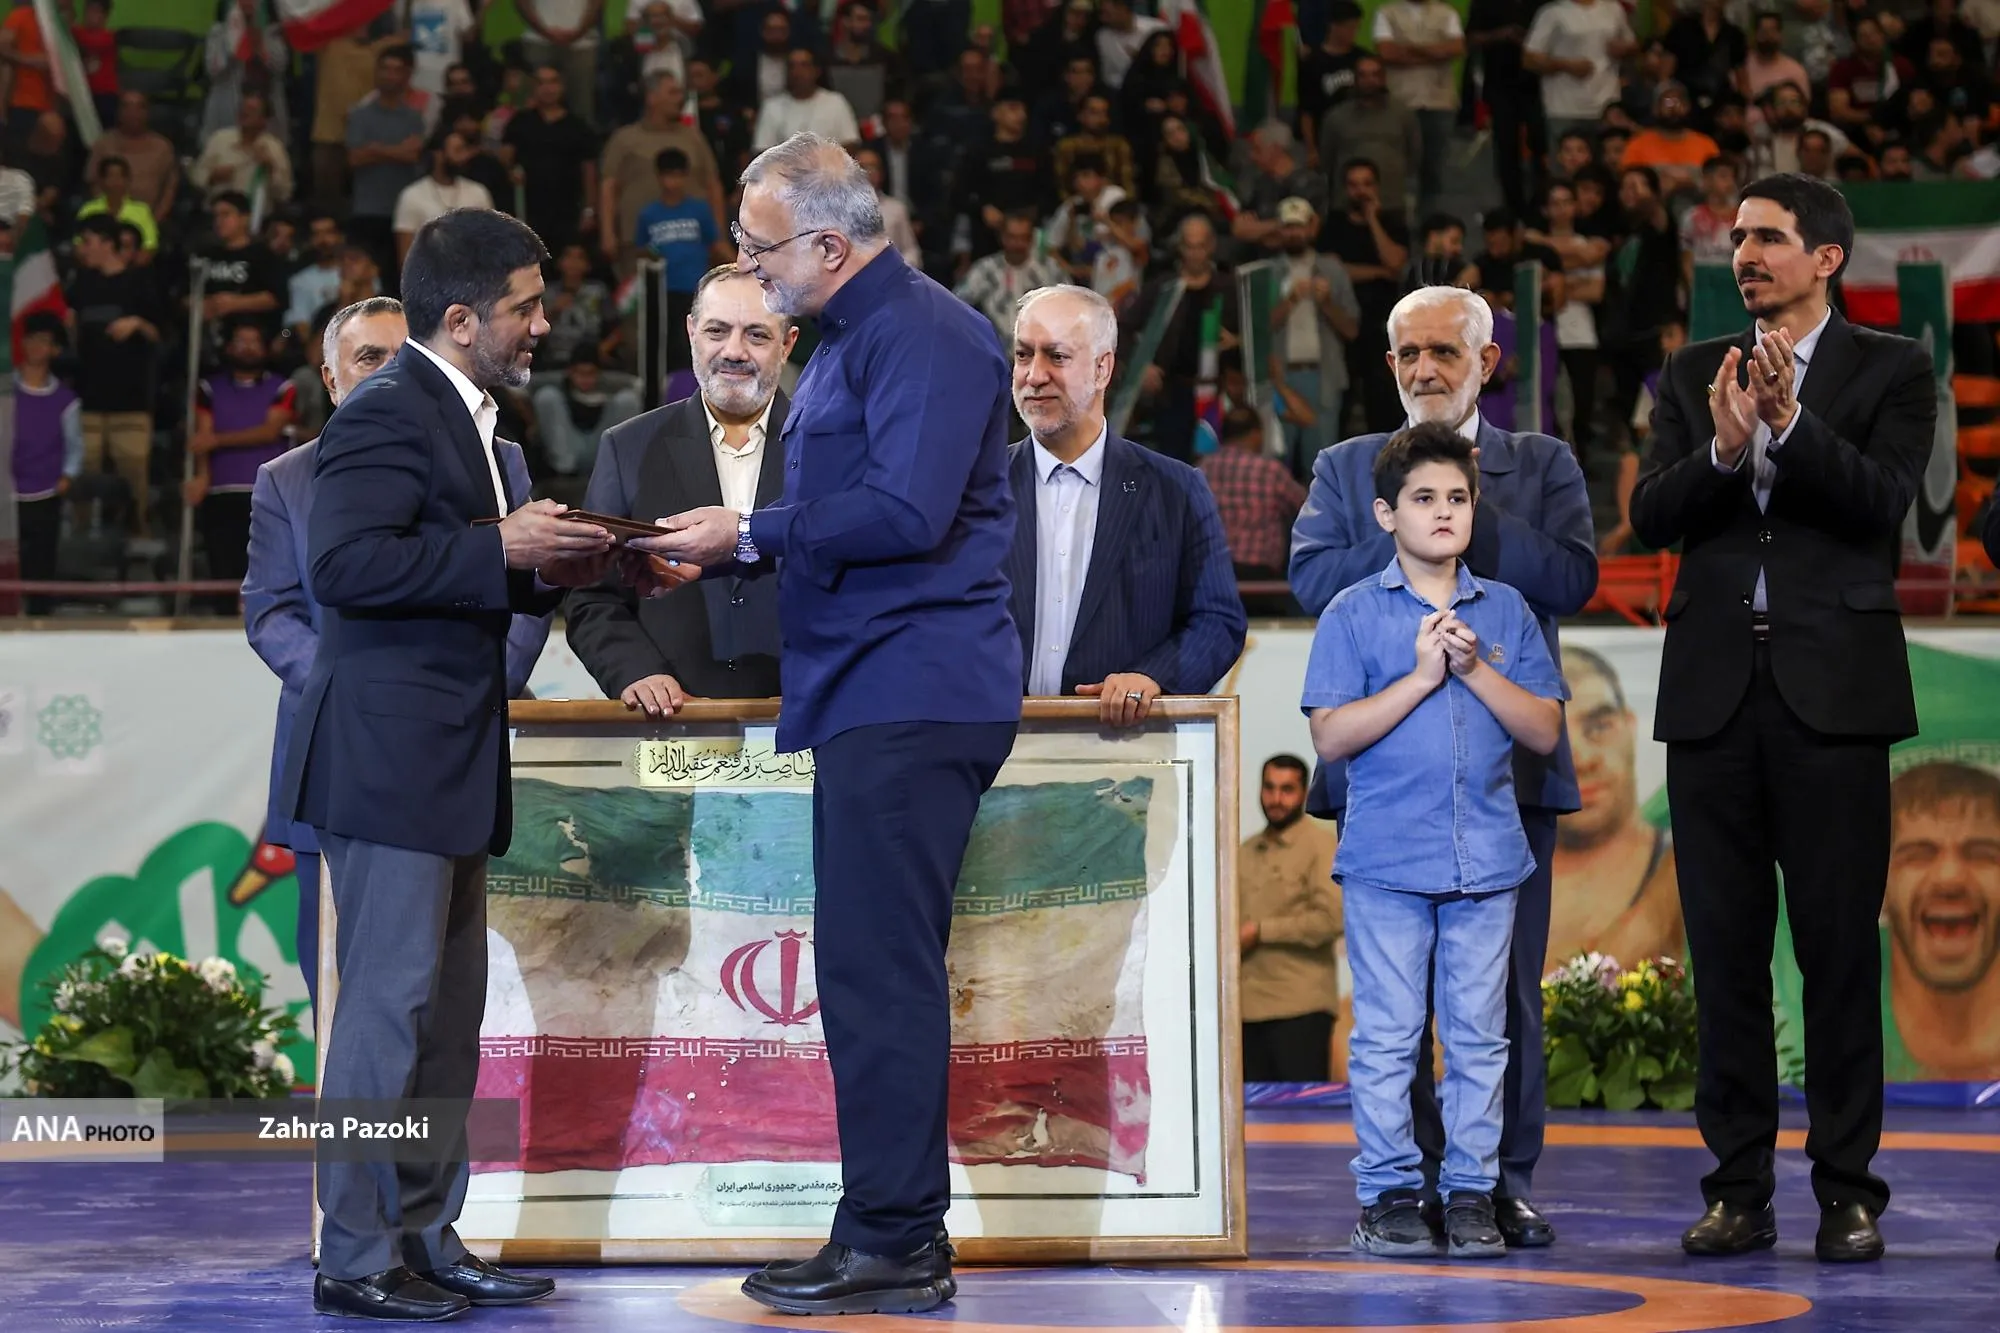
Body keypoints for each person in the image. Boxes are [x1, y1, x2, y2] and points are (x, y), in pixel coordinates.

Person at [631, 133, 1019, 1316]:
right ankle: (882, 1227)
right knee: (861, 971)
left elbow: (903, 511)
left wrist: (746, 534)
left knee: (878, 973)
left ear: (829, 245)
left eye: (757, 247)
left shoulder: (926, 335)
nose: (747, 266)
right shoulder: (859, 336)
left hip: (912, 687)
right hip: (872, 688)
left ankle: (896, 1240)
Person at [278, 207, 649, 1322]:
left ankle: (426, 1236)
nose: (542, 324)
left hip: (446, 762)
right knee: (384, 1017)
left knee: (443, 1023)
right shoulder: (387, 408)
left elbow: (465, 571)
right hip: (390, 765)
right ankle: (355, 1255)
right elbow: (344, 566)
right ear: (461, 317)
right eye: (526, 307)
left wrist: (593, 565)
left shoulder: (475, 417)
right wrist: (502, 545)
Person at [1627, 172, 1935, 1265]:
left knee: (1838, 957)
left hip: (1834, 700)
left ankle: (1847, 1192)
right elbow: (1649, 514)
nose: (1744, 254)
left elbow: (1881, 502)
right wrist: (1720, 450)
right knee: (1724, 960)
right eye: (1737, 237)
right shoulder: (1690, 370)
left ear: (1826, 257)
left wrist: (1788, 424)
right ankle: (1737, 1191)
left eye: (1766, 236)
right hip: (1712, 701)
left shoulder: (1894, 368)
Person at [1289, 285, 1595, 1249]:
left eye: (1445, 353)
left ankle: (1497, 1185)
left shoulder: (1540, 463)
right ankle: (1403, 1187)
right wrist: (1415, 524)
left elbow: (1574, 577)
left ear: (1486, 363)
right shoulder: (1347, 468)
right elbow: (1309, 579)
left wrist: (1465, 506)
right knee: (1391, 1017)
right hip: (1385, 799)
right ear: (1389, 364)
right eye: (1409, 353)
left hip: (1507, 797)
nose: (1425, 368)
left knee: (1500, 1007)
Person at [243, 297, 552, 1015]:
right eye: (368, 358)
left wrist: (489, 682)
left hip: (460, 747)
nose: (388, 372)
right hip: (342, 753)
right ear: (330, 378)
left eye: (400, 356)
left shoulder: (497, 458)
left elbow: (527, 582)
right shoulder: (286, 478)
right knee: (348, 1000)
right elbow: (271, 611)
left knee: (450, 994)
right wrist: (351, 688)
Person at [1003, 284, 1245, 722]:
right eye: (1023, 355)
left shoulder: (1176, 489)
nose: (1034, 375)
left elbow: (1218, 621)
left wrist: (1153, 676)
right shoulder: (973, 487)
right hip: (992, 748)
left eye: (1056, 356)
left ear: (1103, 368)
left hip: (1125, 745)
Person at [567, 265, 794, 710]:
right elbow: (592, 596)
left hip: (807, 721)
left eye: (756, 335)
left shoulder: (833, 446)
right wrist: (637, 672)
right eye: (716, 331)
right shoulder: (627, 446)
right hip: (675, 725)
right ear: (691, 332)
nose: (734, 351)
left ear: (787, 344)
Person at [1547, 644, 1681, 972]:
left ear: (1630, 725)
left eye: (1598, 726)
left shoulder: (1691, 865)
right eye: (1555, 737)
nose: (1581, 760)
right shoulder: (1499, 881)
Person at [1880, 762, 2000, 1083]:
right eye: (1918, 855)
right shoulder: (1820, 1002)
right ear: (1879, 885)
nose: (1950, 878)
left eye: (1981, 854)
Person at [184, 320, 299, 614]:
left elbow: (270, 432)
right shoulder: (208, 388)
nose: (247, 348)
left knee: (268, 568)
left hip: (268, 491)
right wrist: (202, 476)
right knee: (223, 566)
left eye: (254, 341)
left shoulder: (282, 387)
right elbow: (201, 437)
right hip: (220, 491)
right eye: (240, 341)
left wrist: (217, 440)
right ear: (228, 347)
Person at [1239, 754, 1341, 1082]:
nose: (1276, 799)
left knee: (1300, 1112)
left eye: (1287, 790)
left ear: (1304, 793)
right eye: (1269, 788)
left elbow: (1332, 919)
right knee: (1247, 1112)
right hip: (1244, 1011)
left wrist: (1260, 932)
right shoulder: (1244, 851)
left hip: (1300, 1010)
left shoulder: (1322, 846)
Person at [11, 312, 81, 616]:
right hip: (6, 493)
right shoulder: (4, 390)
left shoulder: (66, 400)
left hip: (44, 492)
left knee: (40, 564)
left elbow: (75, 446)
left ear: (54, 350)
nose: (36, 346)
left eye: (43, 342)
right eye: (31, 339)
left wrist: (67, 476)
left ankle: (39, 620)